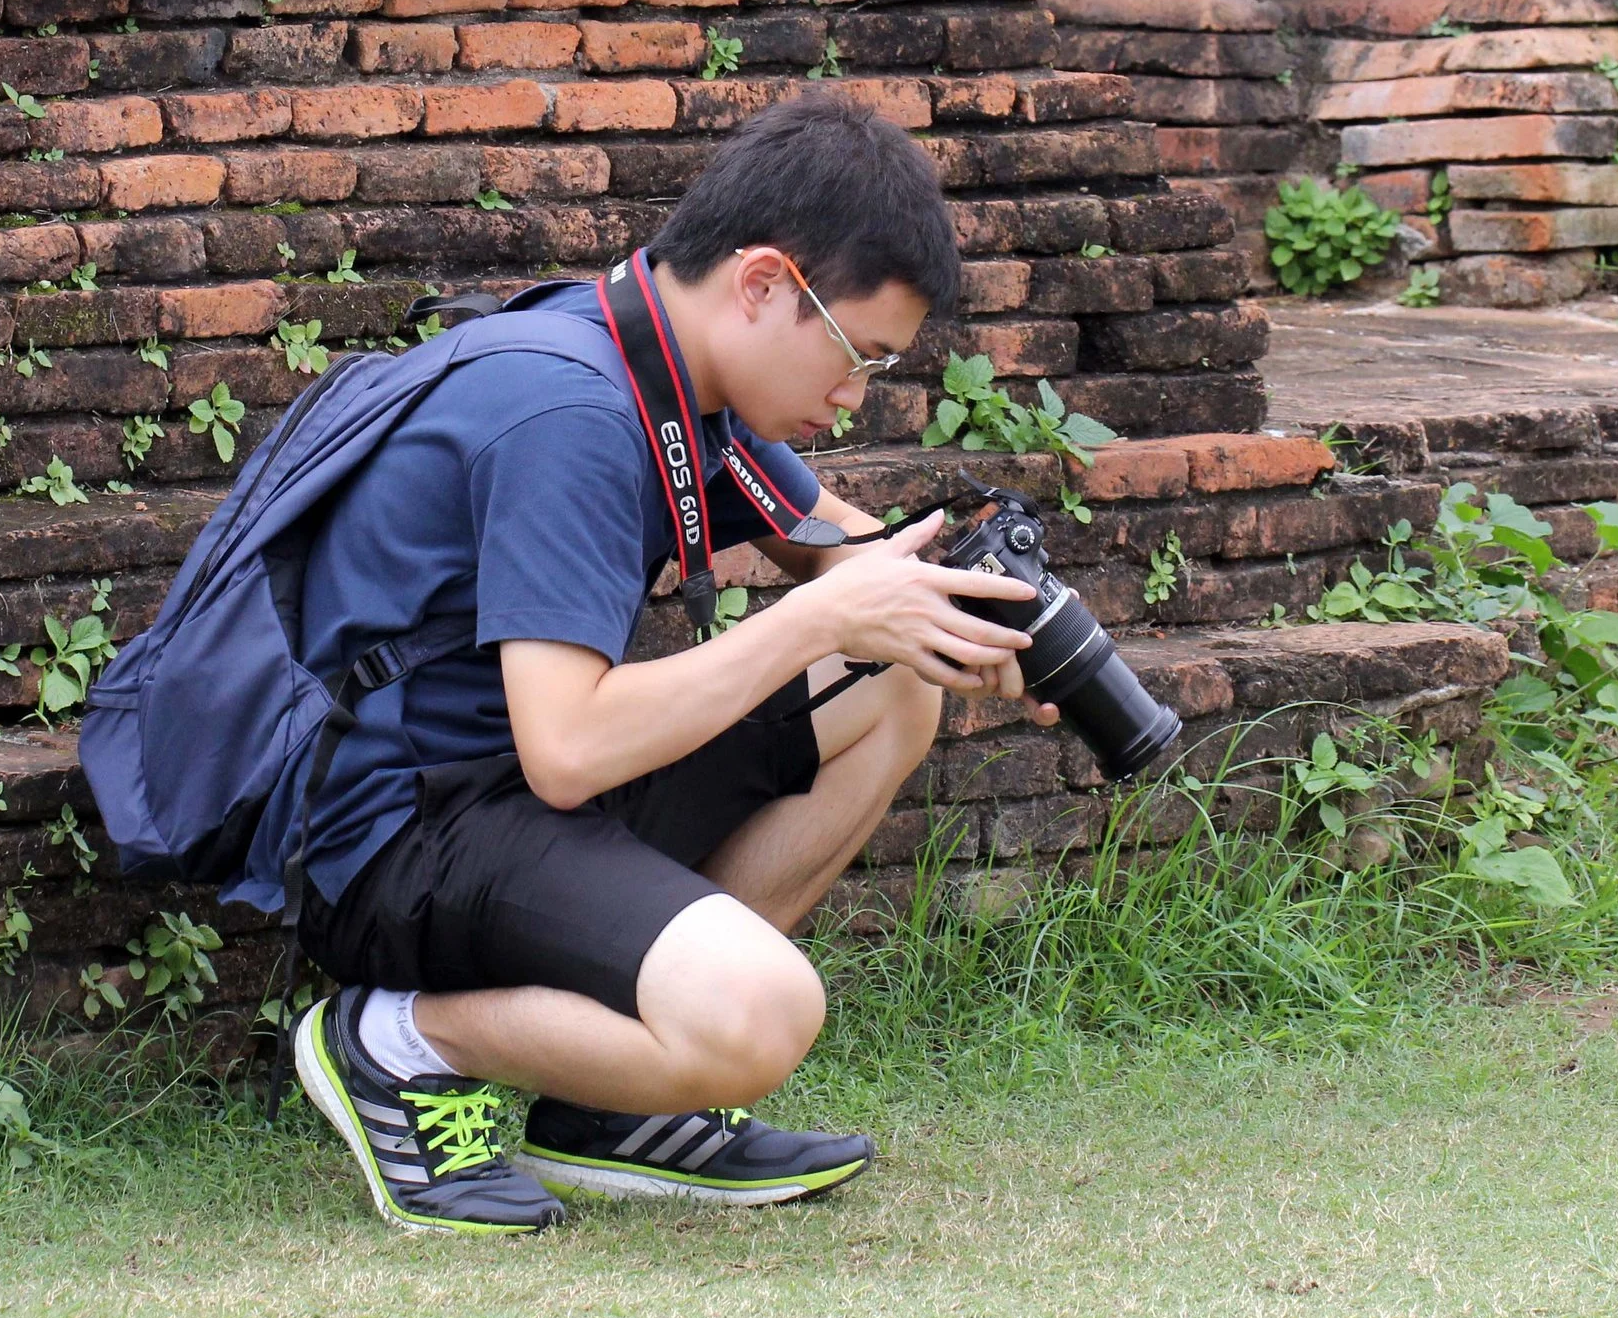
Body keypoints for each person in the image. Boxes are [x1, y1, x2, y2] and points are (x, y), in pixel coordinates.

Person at [275, 92, 1057, 1234]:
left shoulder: (671, 375)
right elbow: (569, 746)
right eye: (859, 356)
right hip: (401, 842)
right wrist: (821, 616)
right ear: (761, 285)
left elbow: (848, 554)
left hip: (511, 808)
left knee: (891, 685)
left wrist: (969, 620)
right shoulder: (570, 409)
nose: (854, 398)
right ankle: (398, 1042)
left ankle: (606, 1101)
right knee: (761, 1016)